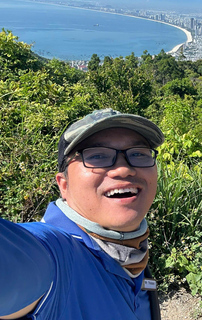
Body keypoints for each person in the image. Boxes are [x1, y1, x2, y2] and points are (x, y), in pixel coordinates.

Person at [0, 109, 164, 319]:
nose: (124, 170)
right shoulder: (54, 257)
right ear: (64, 185)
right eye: (97, 156)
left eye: (138, 153)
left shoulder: (132, 255)